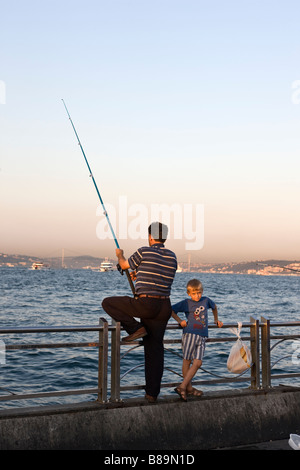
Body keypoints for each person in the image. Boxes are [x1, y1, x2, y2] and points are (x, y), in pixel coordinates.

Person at [102, 222, 177, 402]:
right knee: (155, 350)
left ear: (150, 236)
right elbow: (156, 276)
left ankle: (135, 328)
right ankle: (152, 394)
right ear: (164, 237)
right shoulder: (172, 257)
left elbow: (124, 265)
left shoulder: (144, 251)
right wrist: (139, 275)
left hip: (147, 304)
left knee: (108, 303)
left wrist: (120, 255)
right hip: (164, 307)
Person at [171, 279, 223, 401]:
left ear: (202, 291)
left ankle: (182, 386)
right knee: (187, 361)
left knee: (198, 362)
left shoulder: (206, 300)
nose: (197, 295)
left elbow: (214, 307)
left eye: (199, 293)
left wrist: (216, 319)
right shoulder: (186, 303)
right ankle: (188, 388)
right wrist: (180, 321)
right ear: (189, 293)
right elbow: (171, 310)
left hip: (203, 335)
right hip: (190, 334)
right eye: (194, 293)